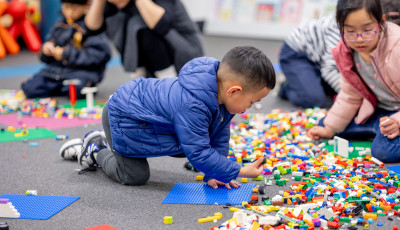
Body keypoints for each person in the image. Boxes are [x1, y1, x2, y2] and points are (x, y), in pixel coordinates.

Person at [59, 46, 276, 188]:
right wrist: (237, 170)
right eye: (252, 101)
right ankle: (96, 148)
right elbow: (198, 151)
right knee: (134, 177)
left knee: (199, 139)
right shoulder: (192, 104)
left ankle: (108, 143)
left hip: (146, 119)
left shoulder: (223, 98)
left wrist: (216, 173)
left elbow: (218, 136)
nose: (250, 107)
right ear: (233, 91)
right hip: (123, 117)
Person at [307, 0, 400, 163]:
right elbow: (350, 96)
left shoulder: (396, 48)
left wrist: (397, 122)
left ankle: (376, 130)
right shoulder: (346, 51)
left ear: (382, 21)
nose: (359, 39)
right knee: (326, 124)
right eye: (350, 31)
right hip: (378, 110)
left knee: (383, 151)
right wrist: (331, 128)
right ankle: (375, 129)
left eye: (367, 30)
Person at [84, 0, 204, 79]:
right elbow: (92, 27)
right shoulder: (114, 5)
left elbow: (162, 24)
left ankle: (169, 84)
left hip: (185, 55)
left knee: (138, 23)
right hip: (153, 64)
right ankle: (141, 83)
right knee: (116, 20)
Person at [21, 0, 111, 99]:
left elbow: (101, 55)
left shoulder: (92, 25)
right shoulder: (59, 24)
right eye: (66, 7)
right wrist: (46, 51)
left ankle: (71, 87)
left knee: (76, 89)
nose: (70, 12)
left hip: (81, 72)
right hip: (55, 72)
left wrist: (66, 54)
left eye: (74, 8)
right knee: (30, 88)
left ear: (87, 5)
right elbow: (46, 55)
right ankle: (61, 87)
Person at [278, 14, 341, 108]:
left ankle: (307, 80)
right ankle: (286, 87)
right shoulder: (337, 29)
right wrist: (350, 96)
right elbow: (329, 69)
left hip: (320, 59)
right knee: (316, 100)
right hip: (296, 55)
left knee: (334, 87)